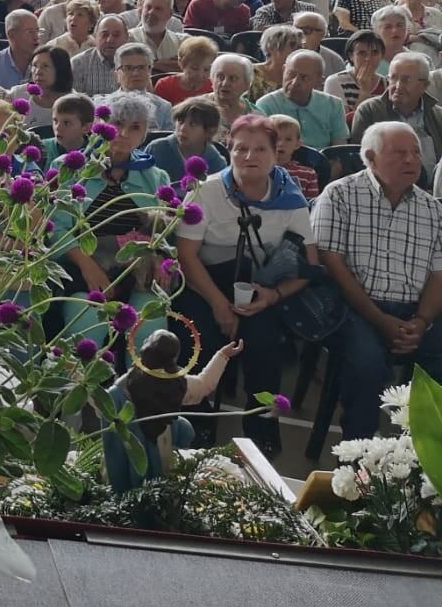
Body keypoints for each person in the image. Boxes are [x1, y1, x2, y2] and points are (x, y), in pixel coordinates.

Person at [174, 114, 316, 452]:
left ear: (275, 152)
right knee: (199, 338)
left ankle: (262, 428)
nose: (250, 157)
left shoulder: (290, 198)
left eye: (260, 150)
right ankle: (195, 423)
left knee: (265, 346)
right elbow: (186, 256)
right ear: (228, 151)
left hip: (258, 287)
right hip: (204, 284)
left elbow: (310, 266)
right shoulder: (205, 191)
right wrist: (219, 305)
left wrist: (272, 296)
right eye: (241, 149)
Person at [312, 122, 442, 440]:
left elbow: (439, 273)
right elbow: (331, 262)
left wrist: (423, 320)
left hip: (413, 312)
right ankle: (359, 458)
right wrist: (379, 319)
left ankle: (423, 455)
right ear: (370, 157)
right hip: (353, 308)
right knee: (367, 364)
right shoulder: (340, 194)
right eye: (400, 153)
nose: (412, 160)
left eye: (415, 152)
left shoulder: (433, 210)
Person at [47, 91, 170, 342]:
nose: (124, 134)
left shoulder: (156, 177)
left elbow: (163, 231)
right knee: (89, 323)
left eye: (134, 127)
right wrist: (87, 266)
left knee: (150, 326)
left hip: (137, 270)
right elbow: (55, 229)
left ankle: (141, 381)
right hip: (81, 269)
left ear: (145, 132)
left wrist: (160, 257)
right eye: (116, 124)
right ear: (99, 127)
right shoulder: (69, 167)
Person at [350, 53, 442, 177]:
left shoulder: (438, 115)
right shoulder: (369, 111)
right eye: (393, 78)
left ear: (424, 85)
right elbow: (358, 160)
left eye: (406, 80)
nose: (397, 86)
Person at [255, 49, 349, 150]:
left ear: (319, 81)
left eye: (304, 78)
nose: (295, 82)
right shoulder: (265, 105)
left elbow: (339, 150)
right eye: (291, 74)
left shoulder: (333, 105)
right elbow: (262, 148)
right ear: (283, 71)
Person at [146, 95, 226, 182]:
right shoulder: (156, 149)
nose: (182, 128)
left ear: (210, 131)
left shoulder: (217, 163)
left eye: (192, 124)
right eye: (180, 121)